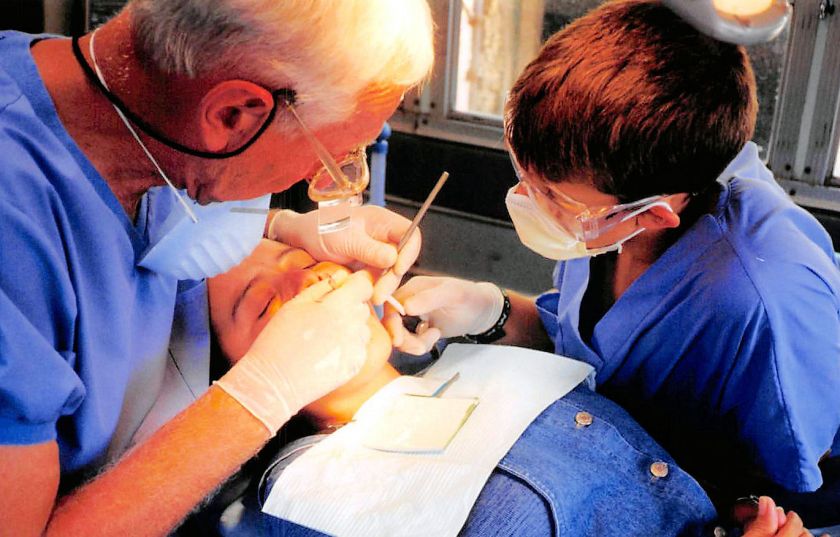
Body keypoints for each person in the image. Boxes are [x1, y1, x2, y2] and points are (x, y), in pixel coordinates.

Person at [384, 0, 840, 527]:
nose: (529, 201)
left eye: (554, 196)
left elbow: (791, 491)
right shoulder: (608, 210)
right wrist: (493, 311)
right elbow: (592, 351)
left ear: (655, 216)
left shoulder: (763, 299)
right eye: (523, 172)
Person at [0, 1, 433, 534]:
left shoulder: (131, 109)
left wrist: (280, 229)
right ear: (232, 114)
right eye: (332, 157)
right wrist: (261, 394)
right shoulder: (15, 231)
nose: (334, 179)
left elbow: (130, 247)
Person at [206, 239, 815, 537]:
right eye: (261, 304)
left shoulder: (470, 368)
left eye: (300, 257)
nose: (309, 282)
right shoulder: (301, 498)